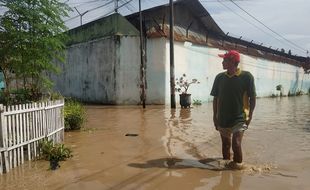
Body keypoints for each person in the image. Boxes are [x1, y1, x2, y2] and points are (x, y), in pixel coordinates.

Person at [210, 50, 256, 169]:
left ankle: (238, 173)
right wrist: (215, 116)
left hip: (240, 118)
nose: (222, 62)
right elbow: (216, 98)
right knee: (226, 145)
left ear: (232, 62)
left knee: (236, 144)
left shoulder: (247, 77)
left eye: (224, 60)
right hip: (223, 118)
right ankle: (225, 171)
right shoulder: (219, 78)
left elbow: (253, 97)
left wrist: (250, 115)